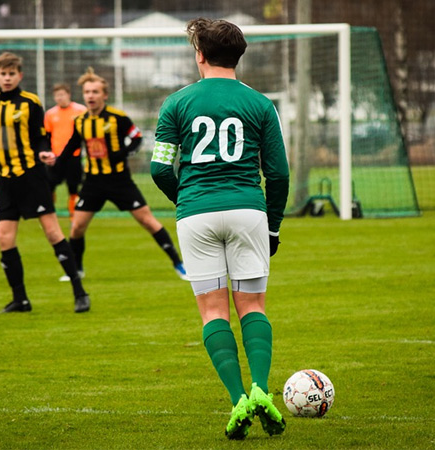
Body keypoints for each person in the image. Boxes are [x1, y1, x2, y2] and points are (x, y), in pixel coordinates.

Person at [150, 18, 290, 440]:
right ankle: (262, 390)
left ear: (200, 55)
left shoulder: (175, 103)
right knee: (253, 305)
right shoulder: (262, 105)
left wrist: (189, 202)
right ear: (238, 56)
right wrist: (273, 227)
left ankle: (237, 401)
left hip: (195, 214)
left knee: (213, 310)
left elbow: (159, 168)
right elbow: (279, 174)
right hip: (249, 212)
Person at [40, 67, 187, 281]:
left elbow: (137, 139)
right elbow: (71, 146)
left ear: (104, 95)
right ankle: (77, 270)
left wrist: (122, 153)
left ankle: (179, 264)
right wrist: (54, 160)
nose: (91, 96)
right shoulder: (81, 121)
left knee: (148, 221)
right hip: (92, 183)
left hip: (120, 181)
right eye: (87, 92)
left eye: (95, 92)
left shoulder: (118, 118)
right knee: (77, 227)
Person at [0, 52, 91, 314]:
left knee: (53, 233)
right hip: (6, 181)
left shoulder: (31, 103)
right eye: (3, 74)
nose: (7, 78)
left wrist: (44, 152)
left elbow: (42, 137)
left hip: (31, 177)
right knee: (3, 238)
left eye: (12, 74)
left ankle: (79, 292)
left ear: (19, 76)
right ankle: (20, 299)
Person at [44, 83, 87, 222]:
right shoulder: (50, 114)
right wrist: (48, 152)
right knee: (49, 186)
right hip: (55, 157)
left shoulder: (80, 110)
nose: (59, 98)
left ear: (68, 94)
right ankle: (49, 214)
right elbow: (47, 136)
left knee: (73, 188)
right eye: (57, 95)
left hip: (73, 157)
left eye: (62, 94)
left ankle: (74, 216)